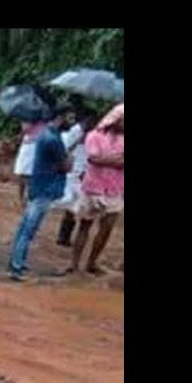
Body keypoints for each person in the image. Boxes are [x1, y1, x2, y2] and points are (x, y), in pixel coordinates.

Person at [8, 106, 76, 281]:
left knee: (25, 228)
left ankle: (17, 263)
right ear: (60, 117)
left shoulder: (46, 134)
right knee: (28, 230)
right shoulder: (52, 138)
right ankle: (16, 268)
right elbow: (66, 166)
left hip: (39, 186)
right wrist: (70, 157)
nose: (72, 122)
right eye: (69, 118)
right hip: (45, 189)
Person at [66, 104, 124, 275]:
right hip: (92, 188)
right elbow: (93, 158)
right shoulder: (94, 135)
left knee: (106, 229)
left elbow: (99, 159)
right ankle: (74, 264)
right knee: (84, 225)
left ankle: (91, 263)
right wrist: (117, 160)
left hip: (115, 189)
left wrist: (105, 159)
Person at [54, 107, 96, 246]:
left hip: (83, 169)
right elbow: (66, 148)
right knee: (71, 203)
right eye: (90, 120)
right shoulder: (76, 131)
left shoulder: (91, 133)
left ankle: (66, 235)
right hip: (74, 168)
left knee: (77, 204)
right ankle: (64, 235)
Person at [14, 119, 47, 208]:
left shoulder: (42, 123)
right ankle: (22, 199)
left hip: (33, 148)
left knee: (29, 176)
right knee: (23, 175)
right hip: (27, 148)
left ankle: (27, 199)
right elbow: (23, 133)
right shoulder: (27, 120)